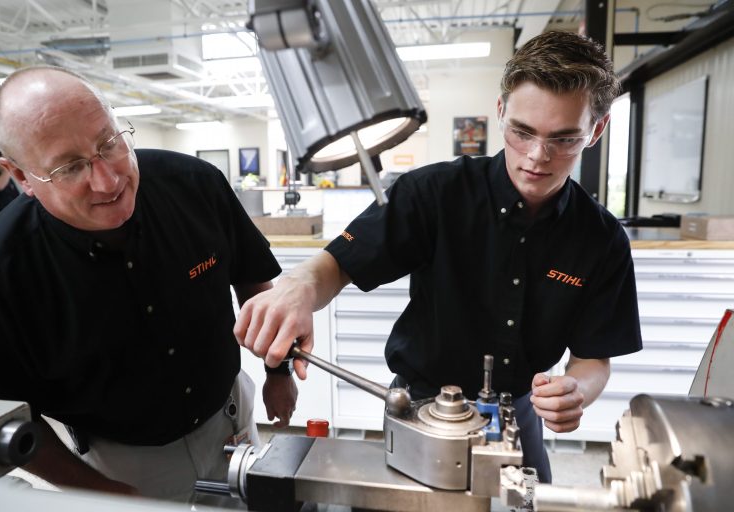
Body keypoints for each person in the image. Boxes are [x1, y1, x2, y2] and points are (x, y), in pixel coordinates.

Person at [234, 30, 642, 484]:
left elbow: (593, 358)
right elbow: (338, 264)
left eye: (564, 139)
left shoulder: (601, 239)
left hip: (516, 413)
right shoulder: (433, 193)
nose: (536, 156)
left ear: (596, 129)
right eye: (522, 132)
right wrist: (299, 287)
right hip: (420, 410)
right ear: (502, 111)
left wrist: (576, 391)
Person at [0, 66, 298, 501]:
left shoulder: (195, 185)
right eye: (69, 168)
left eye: (109, 143)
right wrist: (101, 491)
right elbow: (10, 424)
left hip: (230, 419)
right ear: (23, 177)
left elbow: (251, 277)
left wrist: (278, 370)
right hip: (121, 465)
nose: (109, 180)